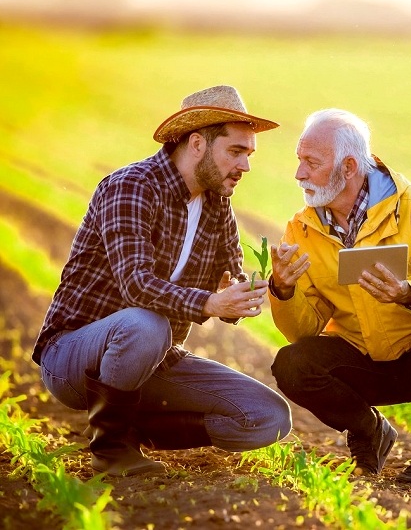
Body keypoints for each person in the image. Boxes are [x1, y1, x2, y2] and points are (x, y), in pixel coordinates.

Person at [33, 85, 292, 477]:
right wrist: (209, 302)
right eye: (236, 152)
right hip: (73, 356)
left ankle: (134, 427)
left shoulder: (218, 206)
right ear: (197, 144)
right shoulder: (132, 186)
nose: (246, 166)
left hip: (154, 358)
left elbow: (231, 282)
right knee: (146, 322)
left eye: (249, 154)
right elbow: (136, 285)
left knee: (269, 416)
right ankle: (110, 450)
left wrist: (262, 287)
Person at [268, 108, 411, 487]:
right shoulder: (300, 229)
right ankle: (370, 430)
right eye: (299, 161)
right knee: (291, 363)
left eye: (311, 163)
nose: (299, 174)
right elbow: (303, 329)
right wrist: (282, 290)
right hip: (364, 363)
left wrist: (408, 292)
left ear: (349, 167)